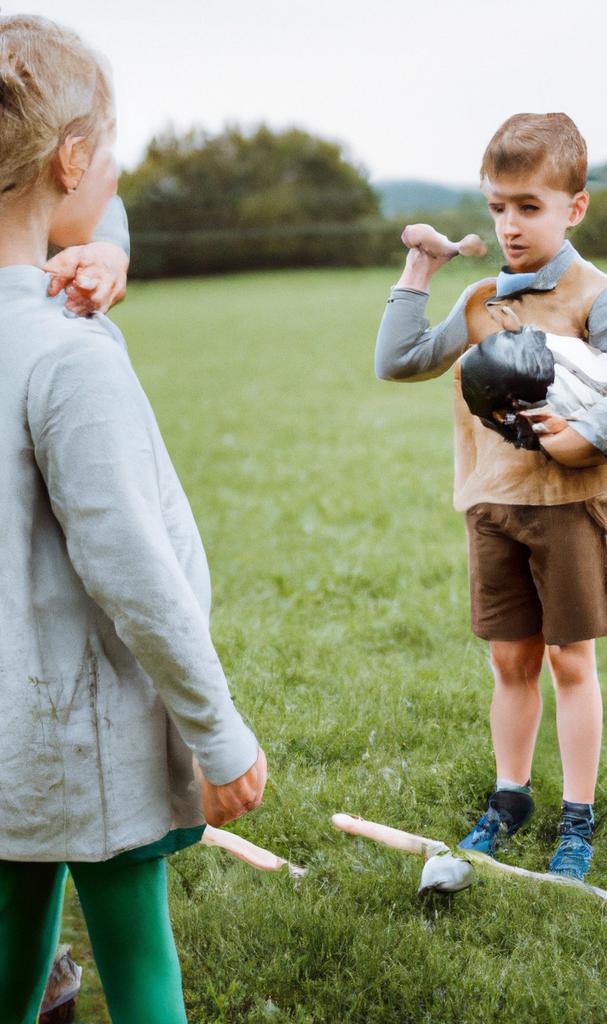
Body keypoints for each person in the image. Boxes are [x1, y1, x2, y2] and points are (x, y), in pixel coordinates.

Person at [0, 15, 266, 1023]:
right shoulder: (72, 357)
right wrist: (220, 734)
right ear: (73, 159)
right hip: (88, 737)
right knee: (137, 957)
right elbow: (136, 575)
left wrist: (99, 251)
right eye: (111, 149)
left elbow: (93, 227)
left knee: (13, 938)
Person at [374, 112, 607, 881]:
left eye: (529, 207)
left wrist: (585, 434)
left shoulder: (600, 297)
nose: (510, 225)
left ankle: (577, 819)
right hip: (491, 503)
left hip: (571, 511)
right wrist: (420, 272)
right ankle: (510, 796)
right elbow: (401, 360)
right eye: (496, 207)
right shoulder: (485, 295)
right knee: (510, 661)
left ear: (573, 207)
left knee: (569, 662)